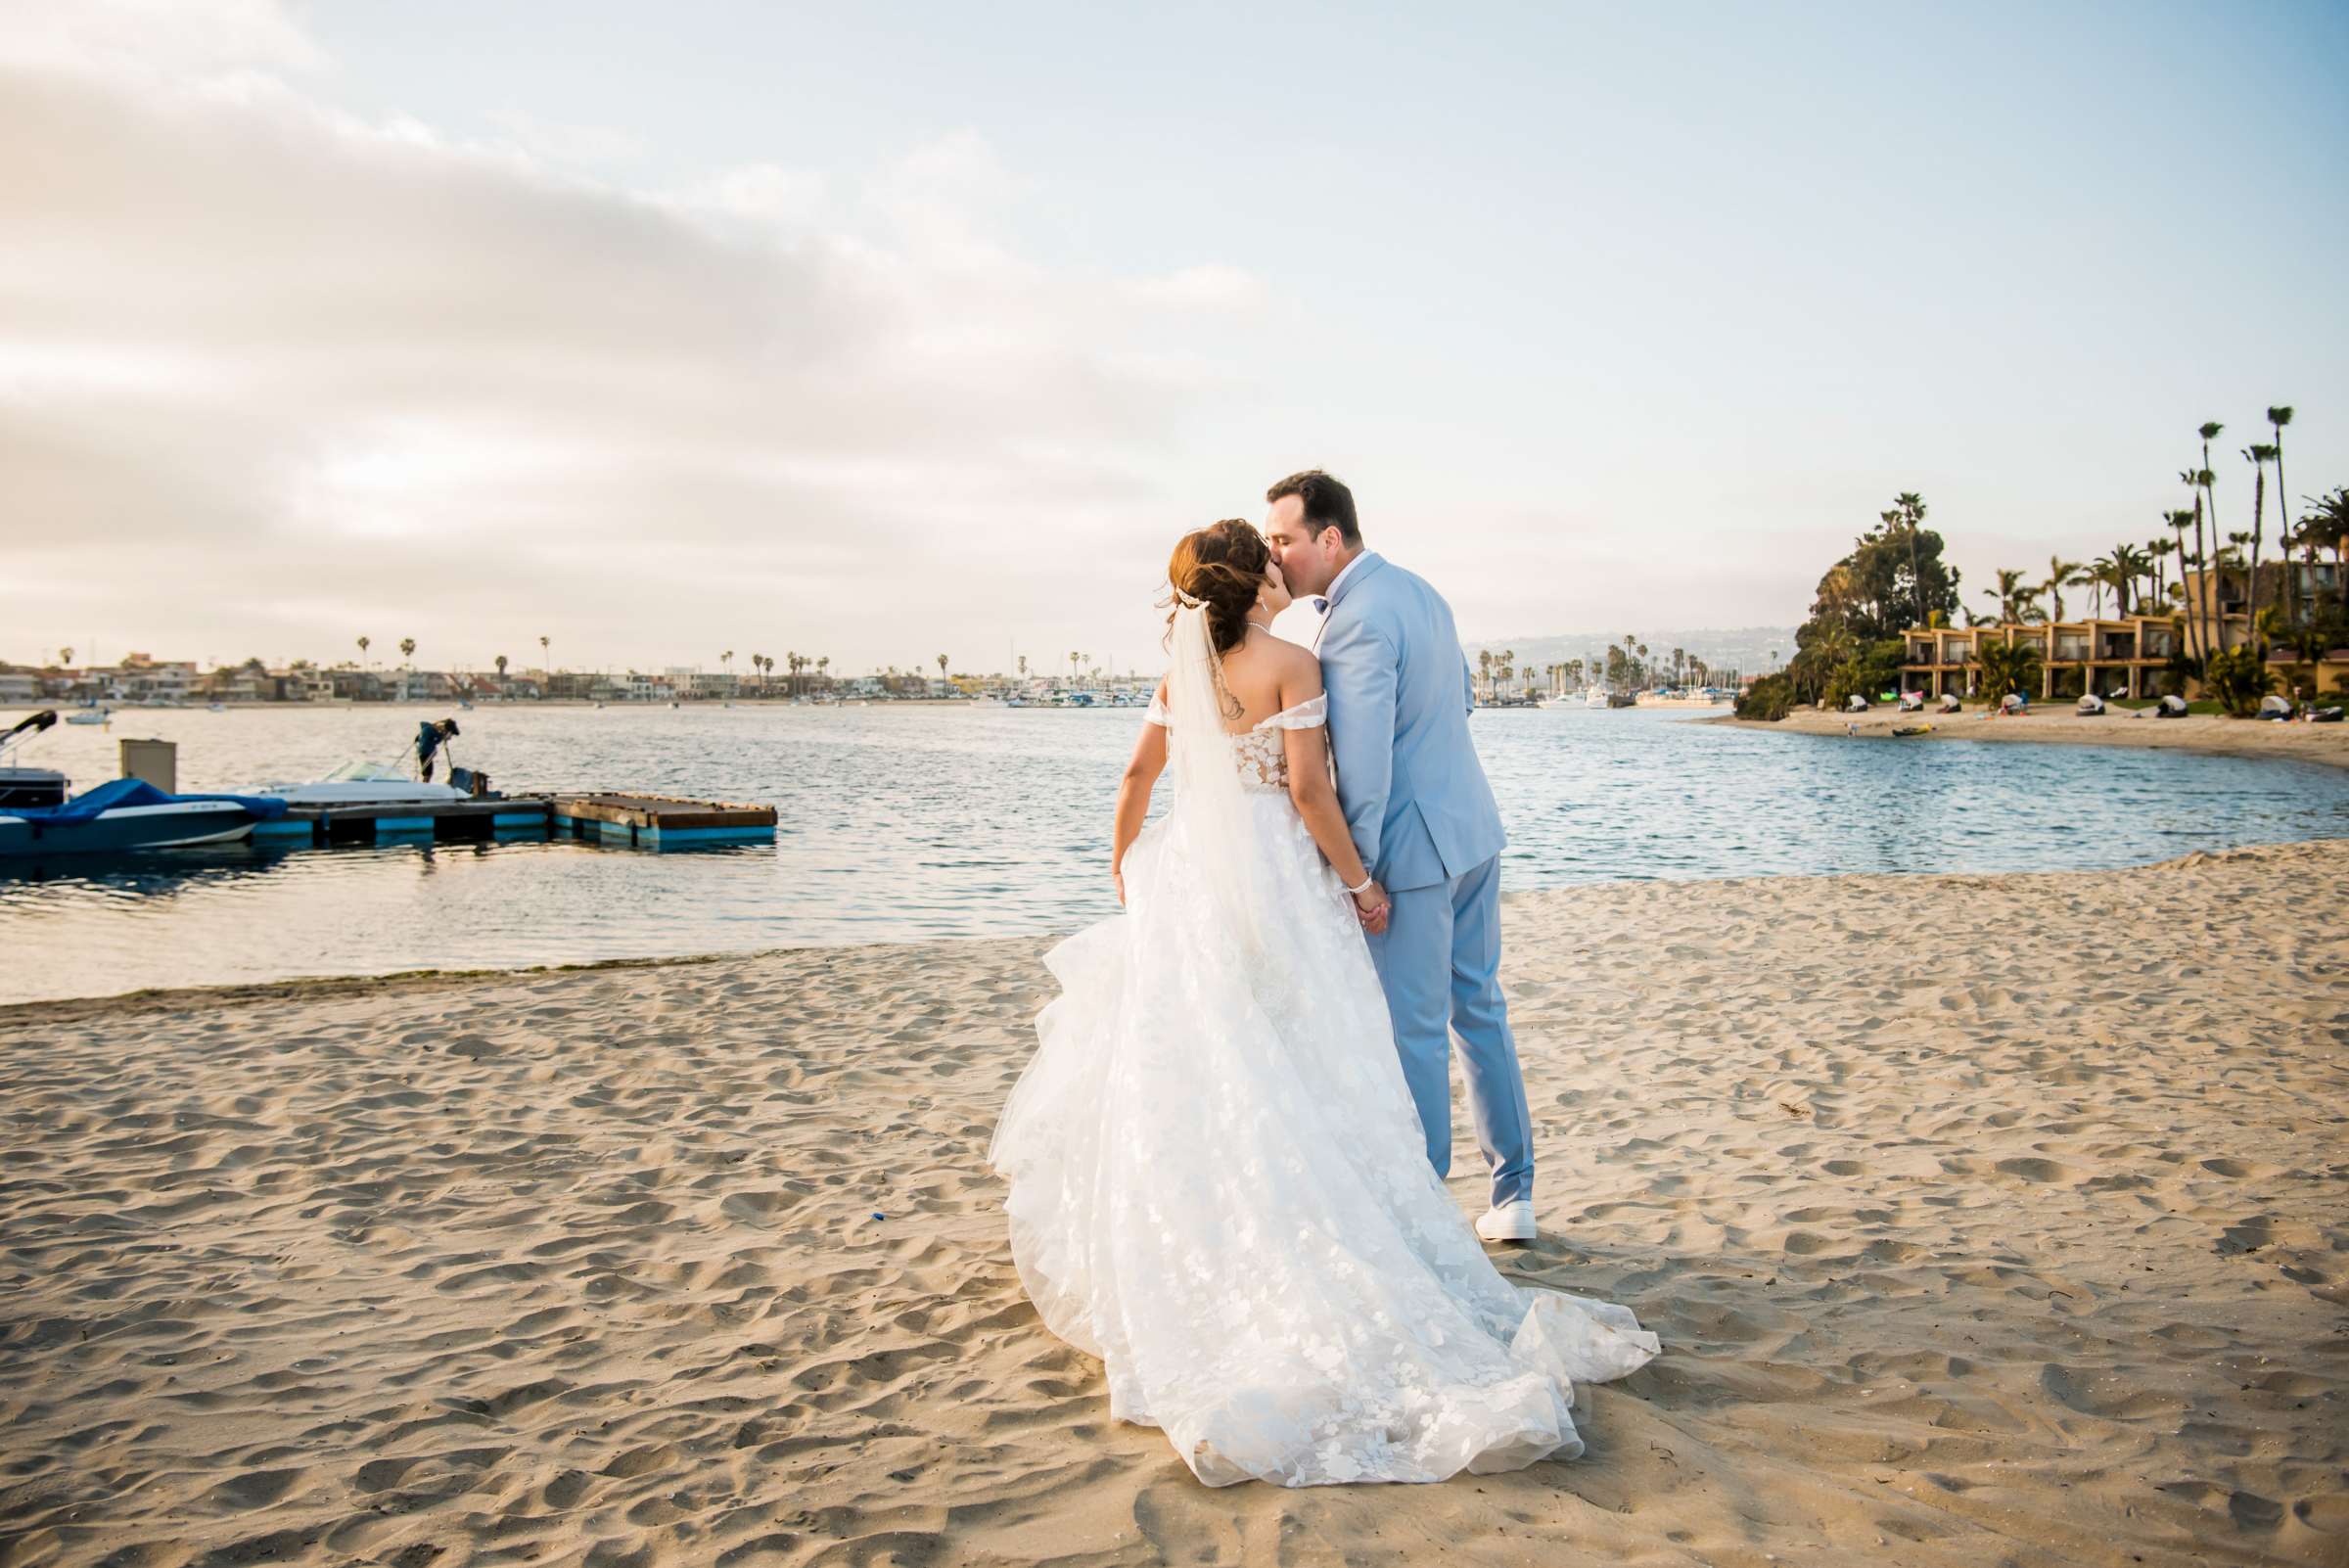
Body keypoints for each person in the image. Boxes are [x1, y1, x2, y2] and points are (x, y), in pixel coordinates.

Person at [989, 518, 1656, 1488]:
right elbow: (1309, 792)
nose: (1277, 564)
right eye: (1266, 559)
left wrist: (1126, 865)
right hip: (1277, 879)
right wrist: (1361, 885)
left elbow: (1138, 778)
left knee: (1204, 1061)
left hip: (1190, 883)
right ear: (1253, 582)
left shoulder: (1183, 675)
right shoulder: (1291, 663)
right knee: (1302, 1049)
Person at [1261, 470, 1537, 1243]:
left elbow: (1367, 764)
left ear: (1330, 538)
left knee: (1412, 1028)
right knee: (1479, 1008)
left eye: (1283, 538)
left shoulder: (1352, 622)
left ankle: (1426, 1207)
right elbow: (1464, 702)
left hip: (1413, 853)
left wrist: (1362, 874)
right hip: (1474, 830)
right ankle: (1514, 1196)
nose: (1275, 554)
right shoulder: (1421, 593)